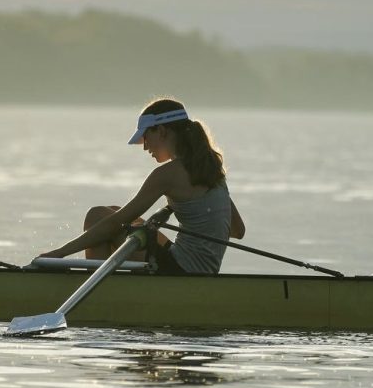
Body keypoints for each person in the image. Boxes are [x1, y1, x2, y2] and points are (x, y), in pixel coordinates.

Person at [38, 98, 245, 274]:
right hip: (199, 270)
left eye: (146, 137)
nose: (145, 147)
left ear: (162, 131)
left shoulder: (167, 174)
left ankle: (99, 297)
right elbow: (237, 230)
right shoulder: (212, 169)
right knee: (115, 213)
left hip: (179, 272)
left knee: (97, 217)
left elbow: (113, 224)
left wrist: (59, 254)